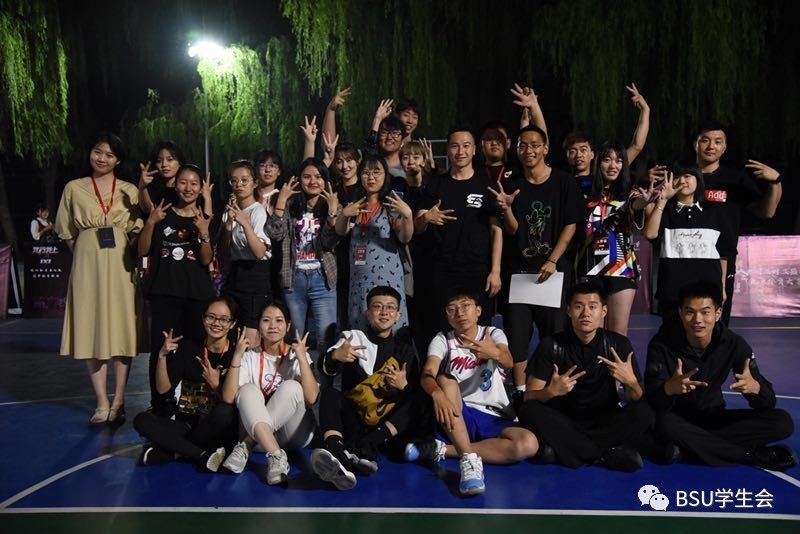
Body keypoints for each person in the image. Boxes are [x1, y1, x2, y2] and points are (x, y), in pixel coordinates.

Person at [645, 281, 796, 469]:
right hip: (677, 418)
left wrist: (756, 389)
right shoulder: (661, 344)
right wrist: (669, 389)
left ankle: (687, 449)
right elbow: (650, 401)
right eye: (690, 312)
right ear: (681, 313)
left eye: (705, 312)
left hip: (713, 417)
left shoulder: (733, 344)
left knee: (782, 422)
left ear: (718, 313)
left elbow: (767, 403)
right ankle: (748, 455)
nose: (697, 320)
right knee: (662, 424)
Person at [405, 291, 539, 496]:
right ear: (447, 316)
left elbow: (508, 361)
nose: (459, 313)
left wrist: (493, 353)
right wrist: (437, 394)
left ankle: (441, 449)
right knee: (445, 380)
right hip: (458, 414)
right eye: (452, 309)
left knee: (529, 444)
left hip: (494, 414)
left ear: (478, 311)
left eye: (465, 306)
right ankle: (468, 460)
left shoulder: (492, 333)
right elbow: (427, 373)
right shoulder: (443, 339)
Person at [517, 281, 654, 471]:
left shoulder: (618, 344)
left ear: (604, 311)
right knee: (529, 410)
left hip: (604, 420)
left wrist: (630, 382)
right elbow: (529, 396)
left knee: (645, 411)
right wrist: (550, 392)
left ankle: (570, 450)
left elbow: (636, 396)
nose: (585, 313)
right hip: (563, 420)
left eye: (592, 307)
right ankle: (603, 454)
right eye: (578, 306)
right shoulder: (552, 345)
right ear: (568, 311)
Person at [54, 133, 144, 425]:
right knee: (89, 327)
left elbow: (137, 230)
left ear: (118, 160)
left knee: (122, 328)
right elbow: (66, 231)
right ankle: (101, 401)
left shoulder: (129, 189)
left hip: (120, 266)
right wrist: (86, 251)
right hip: (86, 265)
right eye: (97, 151)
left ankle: (119, 400)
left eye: (109, 154)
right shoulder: (73, 187)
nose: (101, 158)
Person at [489, 125, 583, 400]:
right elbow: (513, 230)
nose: (528, 150)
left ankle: (552, 392)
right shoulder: (511, 184)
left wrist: (553, 259)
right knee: (517, 335)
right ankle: (521, 393)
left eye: (534, 144)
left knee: (554, 335)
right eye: (522, 145)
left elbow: (571, 224)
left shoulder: (564, 182)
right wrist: (507, 209)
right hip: (519, 274)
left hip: (553, 274)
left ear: (545, 148)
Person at [312, 286, 421, 490]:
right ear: (368, 312)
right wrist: (335, 356)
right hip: (353, 419)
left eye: (390, 308)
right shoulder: (352, 338)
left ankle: (365, 447)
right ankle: (337, 452)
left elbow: (414, 394)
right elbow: (325, 368)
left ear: (398, 315)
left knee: (419, 401)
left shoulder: (405, 350)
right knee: (329, 394)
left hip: (383, 430)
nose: (384, 312)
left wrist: (403, 386)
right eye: (377, 307)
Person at [138, 164, 215, 414]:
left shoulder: (204, 218)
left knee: (195, 350)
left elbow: (206, 259)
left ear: (200, 188)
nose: (188, 188)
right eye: (183, 182)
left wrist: (204, 233)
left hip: (197, 296)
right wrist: (151, 222)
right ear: (176, 184)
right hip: (165, 294)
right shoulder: (162, 214)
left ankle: (192, 406)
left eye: (194, 183)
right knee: (161, 350)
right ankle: (160, 404)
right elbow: (142, 250)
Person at [414, 125, 503, 335]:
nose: (460, 151)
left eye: (465, 146)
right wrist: (426, 217)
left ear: (474, 149)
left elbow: (496, 231)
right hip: (442, 270)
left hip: (477, 270)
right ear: (447, 150)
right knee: (443, 330)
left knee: (479, 330)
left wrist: (496, 271)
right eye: (455, 146)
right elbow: (417, 226)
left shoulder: (486, 185)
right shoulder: (436, 184)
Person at [133, 297, 239, 470]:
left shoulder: (236, 354)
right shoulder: (189, 347)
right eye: (211, 317)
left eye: (223, 319)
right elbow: (163, 389)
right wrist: (162, 356)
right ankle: (202, 455)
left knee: (225, 412)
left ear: (232, 323)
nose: (216, 323)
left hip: (216, 425)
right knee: (141, 420)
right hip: (187, 423)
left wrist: (215, 385)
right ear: (203, 318)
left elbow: (233, 402)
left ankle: (176, 451)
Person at [221, 301, 319, 484]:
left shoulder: (297, 354)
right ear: (259, 325)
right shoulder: (249, 356)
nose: (272, 325)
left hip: (292, 435)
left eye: (279, 320)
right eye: (266, 320)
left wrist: (302, 359)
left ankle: (246, 444)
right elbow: (228, 397)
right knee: (248, 390)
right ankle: (275, 455)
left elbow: (312, 398)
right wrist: (237, 356)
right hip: (258, 435)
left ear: (288, 326)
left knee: (292, 387)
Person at [693, 122, 782, 324]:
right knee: (681, 318)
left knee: (717, 319)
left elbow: (766, 212)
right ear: (695, 144)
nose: (711, 146)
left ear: (724, 147)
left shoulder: (735, 179)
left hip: (721, 259)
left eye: (718, 142)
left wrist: (775, 182)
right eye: (705, 140)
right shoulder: (683, 176)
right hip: (683, 258)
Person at [575, 141, 658, 336]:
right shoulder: (583, 191)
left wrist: (645, 201)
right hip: (589, 267)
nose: (613, 166)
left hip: (621, 268)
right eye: (607, 160)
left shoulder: (630, 192)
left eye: (619, 161)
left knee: (618, 333)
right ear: (598, 162)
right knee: (590, 332)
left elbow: (637, 203)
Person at [267, 157, 340, 366]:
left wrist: (333, 213)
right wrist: (281, 202)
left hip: (322, 278)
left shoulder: (332, 205)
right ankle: (296, 380)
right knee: (294, 338)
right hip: (294, 278)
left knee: (326, 339)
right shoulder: (291, 205)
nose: (313, 181)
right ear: (300, 180)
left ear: (325, 180)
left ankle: (324, 383)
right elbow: (274, 233)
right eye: (307, 176)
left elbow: (329, 242)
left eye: (318, 176)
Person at [643, 166, 735, 318]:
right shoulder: (664, 211)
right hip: (672, 293)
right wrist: (662, 201)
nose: (682, 181)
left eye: (687, 176)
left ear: (698, 180)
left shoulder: (715, 211)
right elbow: (650, 234)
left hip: (708, 291)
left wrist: (722, 286)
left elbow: (724, 252)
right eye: (676, 177)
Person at [336, 155, 414, 332]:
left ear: (385, 175)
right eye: (366, 173)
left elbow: (404, 237)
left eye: (376, 172)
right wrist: (344, 214)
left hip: (387, 277)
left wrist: (408, 215)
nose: (371, 177)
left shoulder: (391, 203)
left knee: (388, 325)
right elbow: (340, 231)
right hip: (358, 278)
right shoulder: (356, 203)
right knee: (360, 325)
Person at [219, 160, 272, 348]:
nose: (238, 185)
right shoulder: (229, 211)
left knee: (251, 337)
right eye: (234, 181)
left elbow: (260, 252)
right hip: (235, 273)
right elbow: (224, 253)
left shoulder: (258, 211)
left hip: (256, 275)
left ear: (255, 183)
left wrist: (244, 223)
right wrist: (228, 226)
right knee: (232, 333)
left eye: (244, 180)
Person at [564, 84, 650, 197]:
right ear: (566, 155)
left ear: (593, 154)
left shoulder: (602, 176)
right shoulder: (562, 182)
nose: (578, 155)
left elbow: (636, 146)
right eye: (572, 151)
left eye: (583, 149)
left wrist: (645, 110)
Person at [138, 140, 213, 217]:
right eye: (159, 161)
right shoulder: (153, 188)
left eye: (170, 159)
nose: (164, 164)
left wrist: (207, 198)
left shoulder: (190, 189)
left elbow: (207, 219)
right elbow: (147, 210)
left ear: (180, 162)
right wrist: (142, 187)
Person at [254, 149, 283, 215]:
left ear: (279, 171)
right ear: (256, 169)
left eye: (272, 166)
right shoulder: (248, 196)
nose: (267, 170)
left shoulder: (282, 198)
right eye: (262, 165)